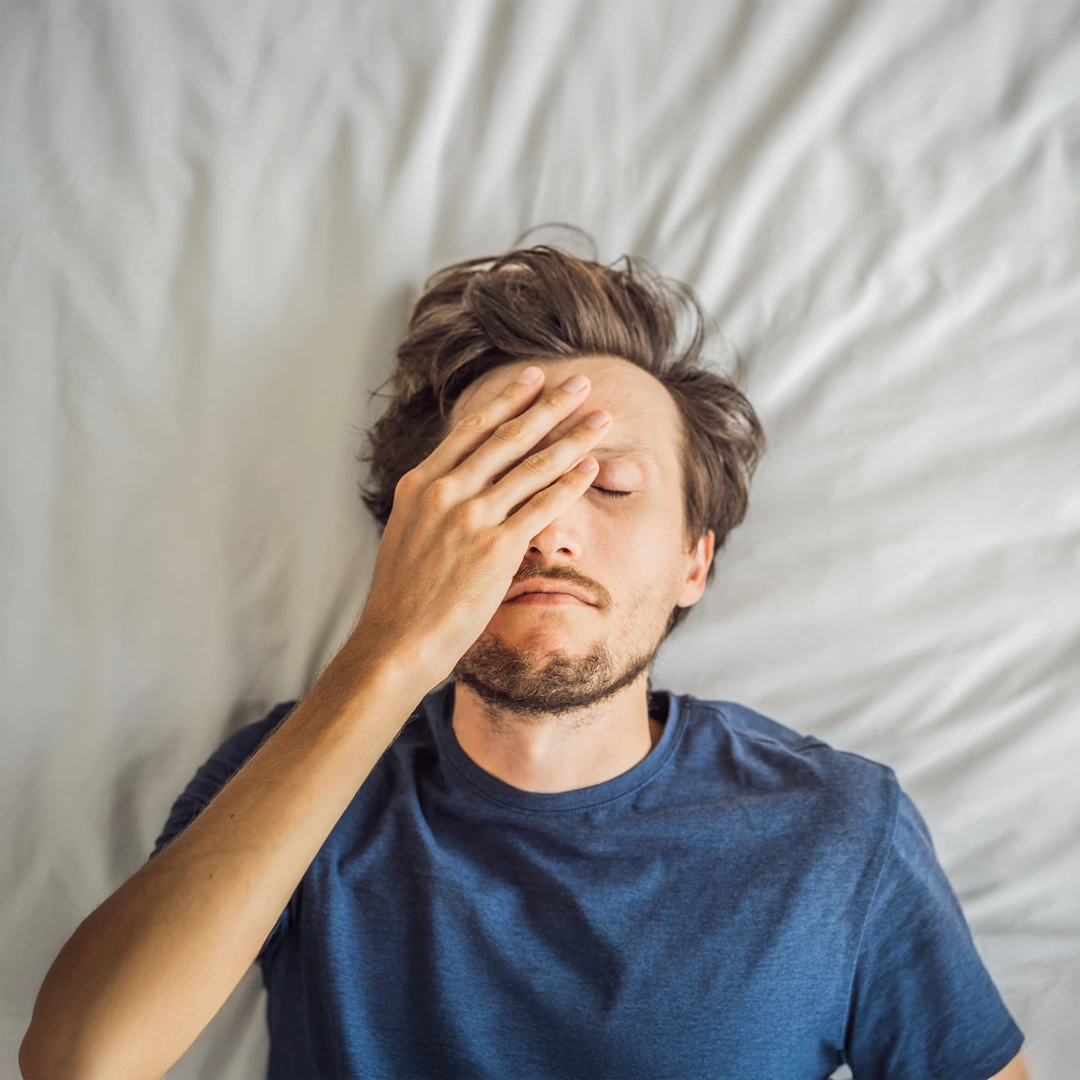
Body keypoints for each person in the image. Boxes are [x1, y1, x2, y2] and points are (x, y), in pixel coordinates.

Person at [21, 244, 1028, 1080]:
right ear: (419, 534)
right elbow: (79, 1062)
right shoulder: (295, 778)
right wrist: (388, 649)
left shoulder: (836, 830)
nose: (549, 532)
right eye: (500, 484)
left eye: (611, 486)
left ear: (694, 558)